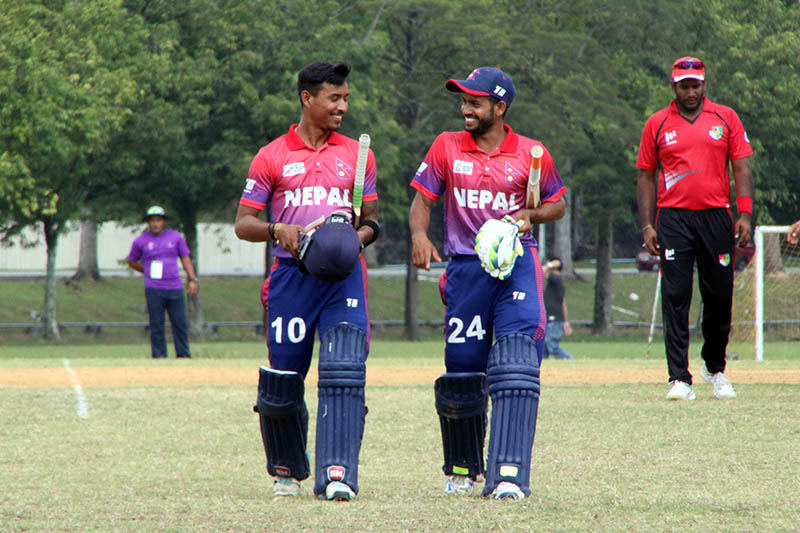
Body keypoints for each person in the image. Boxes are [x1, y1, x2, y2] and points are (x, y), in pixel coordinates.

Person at [409, 67, 566, 500]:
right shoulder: (445, 146)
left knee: (516, 361)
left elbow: (558, 203)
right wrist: (420, 236)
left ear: (500, 107)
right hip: (465, 269)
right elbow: (423, 199)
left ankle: (509, 475)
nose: (466, 109)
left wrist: (531, 216)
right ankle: (463, 468)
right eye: (463, 101)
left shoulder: (532, 153)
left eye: (475, 102)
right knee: (462, 370)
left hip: (517, 264)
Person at [234, 61, 379, 502]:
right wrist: (279, 230)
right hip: (291, 278)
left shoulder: (359, 155)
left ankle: (338, 474)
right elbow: (243, 223)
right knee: (284, 378)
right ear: (307, 98)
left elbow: (372, 222)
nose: (343, 107)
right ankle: (286, 471)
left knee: (344, 371)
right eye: (334, 98)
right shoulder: (272, 155)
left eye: (346, 98)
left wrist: (351, 242)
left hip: (344, 280)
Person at [636, 57, 753, 401]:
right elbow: (645, 175)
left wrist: (744, 215)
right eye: (684, 86)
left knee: (719, 296)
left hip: (716, 216)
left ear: (704, 85)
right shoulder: (657, 123)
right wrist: (647, 224)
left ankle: (715, 368)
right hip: (672, 218)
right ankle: (679, 379)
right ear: (674, 86)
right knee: (676, 297)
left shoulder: (725, 118)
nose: (690, 92)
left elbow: (742, 168)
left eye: (696, 85)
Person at [127, 205, 198, 359]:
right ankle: (159, 355)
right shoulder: (141, 241)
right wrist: (145, 270)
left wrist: (192, 279)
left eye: (158, 220)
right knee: (157, 324)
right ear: (148, 222)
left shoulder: (175, 237)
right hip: (154, 288)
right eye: (152, 221)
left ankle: (183, 354)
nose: (155, 224)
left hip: (174, 286)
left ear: (163, 221)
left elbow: (185, 258)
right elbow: (132, 261)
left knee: (180, 323)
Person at [542, 257, 573, 360]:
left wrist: (549, 265)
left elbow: (541, 271)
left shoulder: (556, 278)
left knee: (551, 344)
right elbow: (563, 303)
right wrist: (566, 321)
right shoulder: (556, 282)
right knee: (543, 347)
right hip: (552, 318)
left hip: (554, 318)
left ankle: (568, 358)